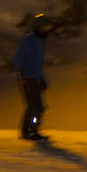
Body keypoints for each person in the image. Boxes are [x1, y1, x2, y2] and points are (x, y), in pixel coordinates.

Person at [13, 13, 54, 141]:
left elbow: (37, 63)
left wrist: (41, 78)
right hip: (28, 78)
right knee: (33, 106)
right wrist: (21, 75)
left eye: (47, 28)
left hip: (35, 78)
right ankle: (27, 131)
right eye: (44, 28)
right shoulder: (29, 40)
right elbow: (18, 58)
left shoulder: (40, 42)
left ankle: (34, 129)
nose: (46, 31)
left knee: (39, 107)